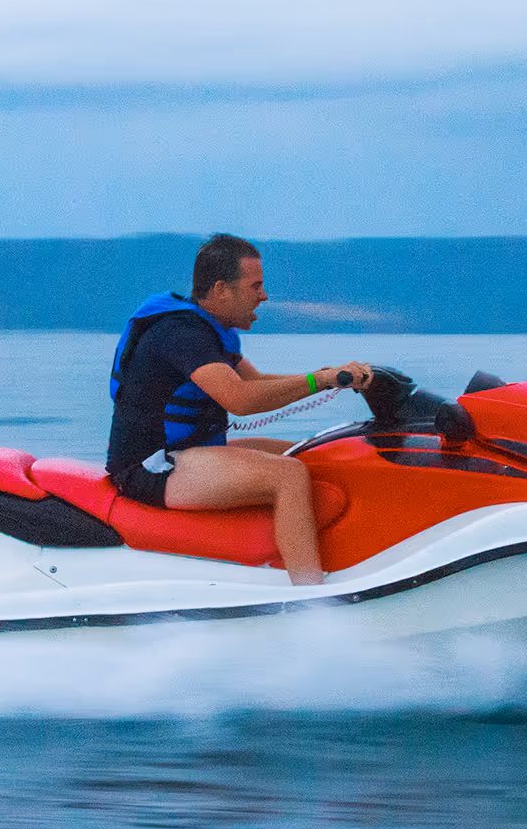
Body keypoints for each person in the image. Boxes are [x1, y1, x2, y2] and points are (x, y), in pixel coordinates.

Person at [106, 234, 373, 585]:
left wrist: (334, 375)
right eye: (255, 286)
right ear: (221, 290)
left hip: (188, 454)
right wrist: (321, 379)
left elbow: (258, 381)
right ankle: (312, 599)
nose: (263, 296)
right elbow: (241, 399)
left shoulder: (212, 331)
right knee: (288, 475)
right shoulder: (181, 334)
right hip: (150, 466)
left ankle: (346, 559)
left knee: (311, 454)